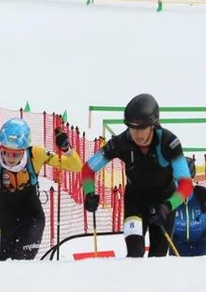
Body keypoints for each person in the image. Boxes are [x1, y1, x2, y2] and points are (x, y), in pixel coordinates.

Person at [81, 93, 193, 258]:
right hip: (135, 201)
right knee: (134, 254)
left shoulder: (169, 143)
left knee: (158, 257)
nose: (137, 134)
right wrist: (89, 193)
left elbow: (186, 185)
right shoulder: (120, 142)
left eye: (142, 128)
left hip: (164, 202)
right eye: (133, 128)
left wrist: (167, 207)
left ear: (153, 125)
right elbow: (88, 169)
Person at [0, 118, 81, 261]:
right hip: (3, 221)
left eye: (16, 154)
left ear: (24, 150)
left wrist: (66, 148)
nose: (10, 158)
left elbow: (75, 166)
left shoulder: (36, 155)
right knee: (2, 265)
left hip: (32, 217)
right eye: (6, 152)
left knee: (22, 260)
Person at [170, 157, 206, 256]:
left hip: (201, 244)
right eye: (177, 178)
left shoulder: (202, 193)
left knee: (201, 271)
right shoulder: (168, 195)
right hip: (176, 243)